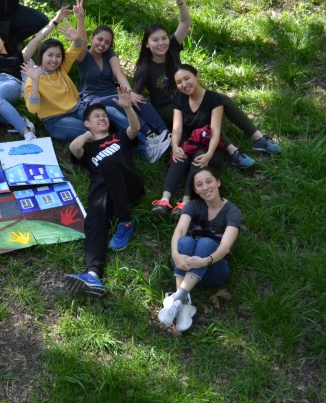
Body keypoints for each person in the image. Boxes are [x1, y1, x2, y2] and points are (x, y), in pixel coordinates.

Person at [133, 0, 281, 168]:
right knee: (200, 116)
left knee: (222, 100)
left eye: (163, 38)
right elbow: (136, 97)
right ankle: (232, 152)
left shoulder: (171, 47)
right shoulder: (144, 68)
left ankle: (259, 138)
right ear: (147, 44)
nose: (161, 43)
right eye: (155, 40)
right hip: (166, 106)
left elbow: (185, 23)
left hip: (187, 93)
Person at [72, 0, 171, 163]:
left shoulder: (109, 54)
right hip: (93, 99)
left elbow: (119, 74)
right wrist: (80, 18)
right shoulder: (83, 56)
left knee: (138, 99)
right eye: (99, 39)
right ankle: (149, 136)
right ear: (91, 38)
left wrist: (130, 93)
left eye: (107, 42)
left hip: (112, 93)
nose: (102, 44)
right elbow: (80, 42)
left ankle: (166, 134)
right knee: (117, 101)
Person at [64, 94, 144, 297]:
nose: (102, 118)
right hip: (103, 192)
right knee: (93, 220)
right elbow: (74, 147)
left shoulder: (119, 137)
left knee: (108, 164)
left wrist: (127, 108)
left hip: (129, 186)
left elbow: (135, 128)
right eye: (97, 116)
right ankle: (93, 275)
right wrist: (87, 135)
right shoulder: (88, 149)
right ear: (87, 123)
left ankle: (126, 222)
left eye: (104, 115)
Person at [0, 9, 74, 140]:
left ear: (3, 40)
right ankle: (17, 120)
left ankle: (26, 132)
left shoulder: (19, 56)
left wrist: (56, 20)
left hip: (10, 83)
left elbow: (37, 39)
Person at [152, 64, 249, 218]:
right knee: (181, 152)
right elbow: (177, 128)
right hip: (191, 143)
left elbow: (215, 131)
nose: (184, 84)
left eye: (187, 78)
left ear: (197, 77)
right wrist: (175, 146)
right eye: (179, 82)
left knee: (199, 155)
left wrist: (209, 154)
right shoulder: (180, 99)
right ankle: (164, 200)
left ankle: (185, 202)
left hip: (211, 147)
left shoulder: (214, 99)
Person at [158, 167, 241, 332]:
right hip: (187, 266)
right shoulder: (193, 206)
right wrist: (175, 255)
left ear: (218, 182)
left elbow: (225, 247)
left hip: (214, 269)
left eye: (209, 181)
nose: (205, 187)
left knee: (206, 244)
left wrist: (205, 261)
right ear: (195, 190)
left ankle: (177, 297)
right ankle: (183, 306)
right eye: (199, 184)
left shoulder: (232, 212)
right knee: (185, 241)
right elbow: (180, 231)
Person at [22, 7, 89, 141]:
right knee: (88, 129)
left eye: (58, 56)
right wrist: (35, 82)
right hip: (55, 120)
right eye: (50, 55)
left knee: (103, 118)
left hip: (77, 109)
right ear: (41, 56)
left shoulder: (60, 68)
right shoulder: (34, 77)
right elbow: (33, 109)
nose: (54, 60)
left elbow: (75, 49)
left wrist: (77, 39)